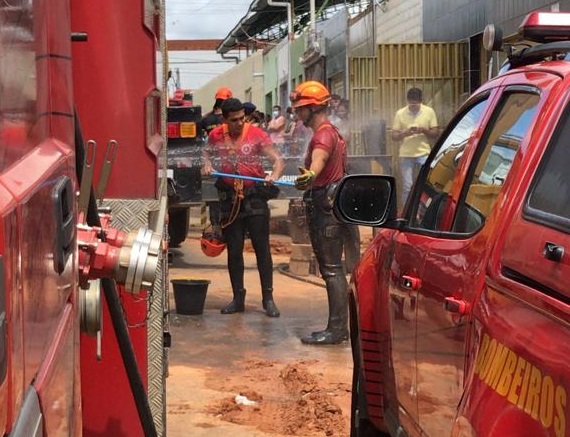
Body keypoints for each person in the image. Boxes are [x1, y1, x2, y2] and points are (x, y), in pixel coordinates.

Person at [202, 98, 285, 317]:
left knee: (262, 249)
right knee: (234, 251)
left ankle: (268, 299)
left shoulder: (257, 134)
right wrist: (207, 164)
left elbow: (277, 159)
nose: (240, 123)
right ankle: (238, 298)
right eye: (234, 120)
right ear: (225, 120)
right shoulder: (215, 135)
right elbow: (205, 153)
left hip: (254, 198)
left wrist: (274, 175)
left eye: (242, 118)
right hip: (230, 201)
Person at [290, 80, 350, 345]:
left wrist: (311, 174)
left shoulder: (323, 135)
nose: (297, 114)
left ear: (313, 108)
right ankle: (336, 327)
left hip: (325, 208)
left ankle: (336, 330)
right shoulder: (332, 131)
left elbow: (319, 159)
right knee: (332, 269)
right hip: (329, 205)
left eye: (300, 108)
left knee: (332, 270)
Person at [392, 87, 439, 205]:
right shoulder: (400, 113)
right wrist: (405, 133)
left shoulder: (429, 111)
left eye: (416, 104)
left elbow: (435, 133)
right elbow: (394, 136)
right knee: (407, 186)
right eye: (411, 104)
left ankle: (425, 210)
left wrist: (423, 130)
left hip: (424, 153)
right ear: (407, 101)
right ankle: (406, 212)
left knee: (427, 184)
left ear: (420, 101)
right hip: (406, 154)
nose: (413, 106)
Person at [200, 87, 233, 236]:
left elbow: (201, 139)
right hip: (228, 161)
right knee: (230, 194)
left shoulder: (206, 120)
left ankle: (215, 226)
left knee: (214, 196)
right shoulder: (227, 119)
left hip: (212, 163)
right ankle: (230, 225)